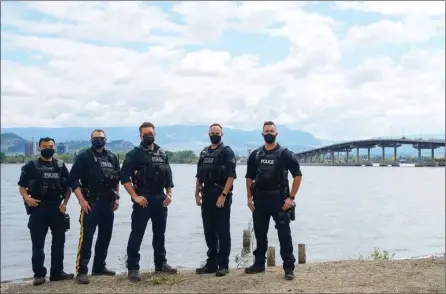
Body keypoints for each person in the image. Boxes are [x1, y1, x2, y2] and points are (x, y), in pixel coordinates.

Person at [244, 121, 303, 280]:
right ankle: (258, 264)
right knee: (260, 233)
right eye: (266, 131)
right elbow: (249, 177)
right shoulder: (255, 155)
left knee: (284, 234)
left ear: (276, 134)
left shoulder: (285, 153)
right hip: (260, 199)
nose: (269, 133)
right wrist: (249, 197)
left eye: (271, 130)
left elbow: (297, 175)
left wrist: (291, 197)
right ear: (262, 134)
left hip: (280, 199)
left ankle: (288, 268)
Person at [120, 122, 177, 282]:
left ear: (155, 134)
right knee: (137, 234)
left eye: (150, 133)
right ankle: (133, 268)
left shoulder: (162, 153)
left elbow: (169, 176)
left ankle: (160, 264)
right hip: (143, 199)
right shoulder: (134, 154)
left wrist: (170, 194)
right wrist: (135, 196)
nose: (148, 136)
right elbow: (124, 177)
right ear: (140, 136)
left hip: (160, 198)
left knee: (160, 234)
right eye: (145, 134)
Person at [18, 137, 74, 286]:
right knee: (38, 244)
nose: (48, 148)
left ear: (54, 147)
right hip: (38, 208)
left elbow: (69, 187)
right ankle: (39, 274)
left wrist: (65, 203)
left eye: (51, 146)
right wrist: (27, 198)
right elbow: (22, 187)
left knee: (59, 242)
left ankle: (57, 273)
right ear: (39, 147)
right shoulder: (31, 166)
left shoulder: (61, 166)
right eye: (44, 146)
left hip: (57, 208)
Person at [68, 129, 121, 285]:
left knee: (105, 236)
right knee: (87, 238)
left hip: (108, 203)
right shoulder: (84, 157)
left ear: (106, 140)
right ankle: (82, 271)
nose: (99, 140)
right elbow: (73, 181)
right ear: (91, 140)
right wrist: (81, 201)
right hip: (90, 203)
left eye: (101, 138)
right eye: (96, 138)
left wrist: (117, 199)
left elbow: (116, 179)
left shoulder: (111, 157)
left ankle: (99, 267)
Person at [194, 123, 237, 277]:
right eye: (212, 132)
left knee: (223, 230)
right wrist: (196, 193)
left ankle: (223, 264)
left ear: (222, 134)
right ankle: (211, 263)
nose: (215, 135)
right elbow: (199, 175)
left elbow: (231, 176)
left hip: (221, 196)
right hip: (206, 195)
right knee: (209, 230)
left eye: (217, 132)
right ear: (209, 134)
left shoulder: (227, 152)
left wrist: (223, 195)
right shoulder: (204, 152)